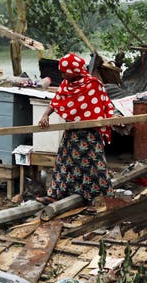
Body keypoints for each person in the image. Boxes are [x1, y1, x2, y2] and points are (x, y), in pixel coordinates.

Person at [36, 53, 115, 205]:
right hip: (71, 132)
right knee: (63, 163)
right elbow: (56, 100)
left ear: (75, 71)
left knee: (94, 166)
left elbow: (103, 106)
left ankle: (104, 199)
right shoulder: (66, 84)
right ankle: (56, 194)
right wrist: (45, 115)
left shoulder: (93, 84)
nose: (63, 75)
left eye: (65, 71)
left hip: (90, 133)